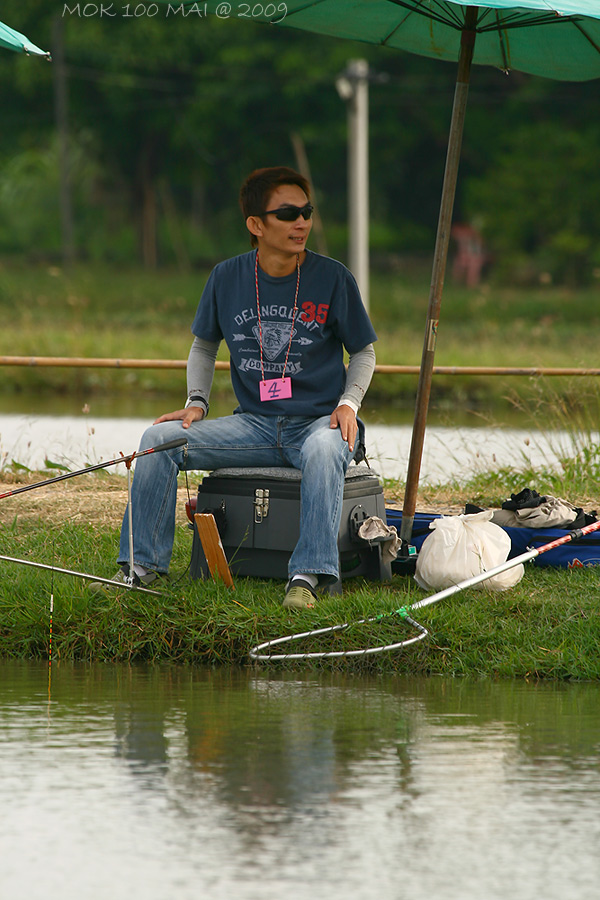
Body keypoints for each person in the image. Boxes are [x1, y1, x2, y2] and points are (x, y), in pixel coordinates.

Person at [93, 166, 377, 608]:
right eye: (288, 213)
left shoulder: (334, 277)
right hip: (254, 427)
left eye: (307, 211)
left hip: (320, 424)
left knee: (323, 450)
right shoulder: (226, 277)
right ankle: (139, 569)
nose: (302, 222)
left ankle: (309, 576)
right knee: (156, 440)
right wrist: (196, 403)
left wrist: (348, 404)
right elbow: (204, 347)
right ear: (256, 225)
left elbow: (364, 352)